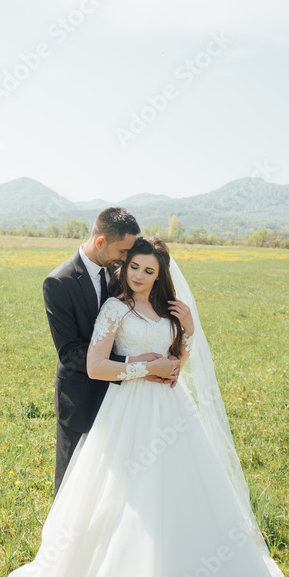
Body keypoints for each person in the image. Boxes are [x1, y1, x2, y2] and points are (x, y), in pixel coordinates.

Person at [0, 237, 289, 577]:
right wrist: (144, 367)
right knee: (128, 507)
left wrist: (187, 334)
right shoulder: (115, 309)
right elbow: (97, 366)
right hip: (129, 413)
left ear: (161, 275)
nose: (138, 276)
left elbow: (179, 362)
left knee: (188, 504)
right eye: (133, 267)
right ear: (125, 267)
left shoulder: (170, 311)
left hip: (173, 415)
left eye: (148, 271)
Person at [43, 208, 179, 496]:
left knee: (117, 485)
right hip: (81, 396)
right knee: (73, 485)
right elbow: (70, 351)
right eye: (123, 250)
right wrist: (136, 365)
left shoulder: (122, 272)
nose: (127, 257)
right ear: (101, 241)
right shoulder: (59, 282)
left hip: (126, 400)